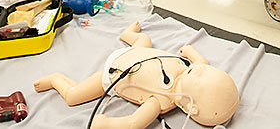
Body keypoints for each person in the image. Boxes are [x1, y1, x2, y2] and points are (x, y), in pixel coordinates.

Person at [33, 22, 239, 129]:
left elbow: (133, 123)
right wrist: (189, 51)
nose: (201, 70)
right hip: (137, 51)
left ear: (189, 107)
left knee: (73, 96)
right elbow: (201, 62)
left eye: (201, 79)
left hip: (111, 72)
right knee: (144, 38)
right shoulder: (192, 70)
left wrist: (104, 124)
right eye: (209, 72)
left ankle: (55, 80)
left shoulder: (160, 101)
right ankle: (127, 33)